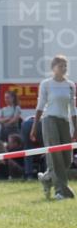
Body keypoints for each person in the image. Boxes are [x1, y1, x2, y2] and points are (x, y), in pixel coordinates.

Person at [32, 54, 77, 200]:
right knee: (56, 156)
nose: (63, 68)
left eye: (65, 66)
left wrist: (75, 128)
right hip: (49, 120)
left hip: (64, 121)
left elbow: (73, 108)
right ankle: (60, 191)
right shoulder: (46, 84)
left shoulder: (70, 85)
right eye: (60, 66)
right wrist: (34, 127)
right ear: (53, 68)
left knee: (67, 159)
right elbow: (40, 106)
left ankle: (46, 178)